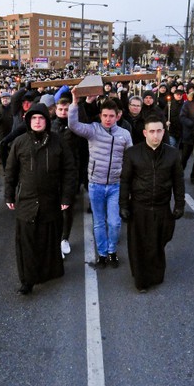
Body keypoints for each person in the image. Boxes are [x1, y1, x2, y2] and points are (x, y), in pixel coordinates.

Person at [4, 103, 76, 295]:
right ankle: (27, 280)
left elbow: (69, 170)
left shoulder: (58, 141)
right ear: (28, 121)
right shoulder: (19, 142)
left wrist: (66, 196)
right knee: (26, 243)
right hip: (26, 201)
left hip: (51, 200)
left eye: (41, 118)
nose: (37, 122)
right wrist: (9, 194)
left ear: (46, 120)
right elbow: (10, 171)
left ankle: (49, 271)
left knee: (49, 239)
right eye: (34, 118)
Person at [119, 115, 185, 292]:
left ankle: (155, 274)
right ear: (145, 132)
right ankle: (141, 280)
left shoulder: (172, 154)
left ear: (164, 132)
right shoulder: (133, 153)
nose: (155, 135)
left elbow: (178, 181)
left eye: (159, 131)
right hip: (139, 207)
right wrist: (123, 205)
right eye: (152, 131)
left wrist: (179, 204)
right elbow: (125, 181)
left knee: (157, 242)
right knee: (139, 245)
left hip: (162, 207)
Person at [68, 90, 132, 268]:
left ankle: (112, 252)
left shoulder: (125, 135)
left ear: (117, 116)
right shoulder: (93, 130)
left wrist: (128, 181)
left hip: (115, 185)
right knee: (98, 222)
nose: (108, 119)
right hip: (95, 184)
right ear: (100, 116)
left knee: (114, 222)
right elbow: (73, 125)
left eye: (111, 116)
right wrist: (75, 102)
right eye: (105, 115)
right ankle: (102, 254)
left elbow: (130, 160)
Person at [50, 96, 83, 258]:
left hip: (70, 173)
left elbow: (80, 150)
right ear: (56, 110)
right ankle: (55, 240)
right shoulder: (50, 127)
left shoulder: (75, 126)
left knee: (67, 208)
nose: (63, 112)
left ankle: (65, 238)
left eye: (66, 109)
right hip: (53, 174)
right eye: (60, 109)